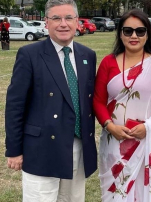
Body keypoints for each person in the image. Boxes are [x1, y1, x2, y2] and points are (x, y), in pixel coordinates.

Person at [5, 0, 97, 201]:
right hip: (42, 150)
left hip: (77, 148)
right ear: (46, 22)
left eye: (68, 18)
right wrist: (13, 150)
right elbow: (15, 105)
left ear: (76, 22)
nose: (63, 24)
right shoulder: (29, 54)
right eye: (56, 18)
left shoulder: (87, 56)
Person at [93, 9, 151, 202]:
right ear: (120, 33)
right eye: (128, 30)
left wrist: (148, 128)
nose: (134, 36)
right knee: (117, 194)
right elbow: (98, 100)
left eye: (140, 31)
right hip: (115, 141)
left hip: (149, 142)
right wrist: (110, 126)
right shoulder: (108, 63)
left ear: (147, 34)